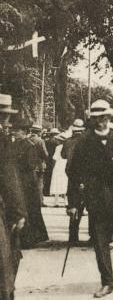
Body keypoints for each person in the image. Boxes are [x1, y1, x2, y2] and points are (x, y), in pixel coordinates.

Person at [66, 100, 113, 298]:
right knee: (100, 242)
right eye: (96, 119)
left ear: (109, 118)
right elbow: (73, 174)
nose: (100, 122)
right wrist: (72, 203)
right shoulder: (84, 143)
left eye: (103, 118)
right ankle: (107, 282)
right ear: (92, 120)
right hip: (96, 199)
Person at [0, 94, 26, 300]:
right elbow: (8, 176)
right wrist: (18, 212)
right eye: (6, 117)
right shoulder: (3, 140)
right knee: (5, 257)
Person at [12, 119, 49, 248]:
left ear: (25, 132)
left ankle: (29, 239)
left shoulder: (29, 145)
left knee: (29, 209)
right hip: (18, 179)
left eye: (17, 131)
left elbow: (31, 165)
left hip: (27, 182)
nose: (15, 132)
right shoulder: (14, 144)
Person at [62, 119, 86, 243]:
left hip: (72, 177)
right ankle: (95, 236)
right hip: (85, 177)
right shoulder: (87, 142)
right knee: (91, 207)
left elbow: (63, 156)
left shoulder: (67, 142)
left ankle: (73, 236)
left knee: (73, 206)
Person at [29, 124, 49, 206]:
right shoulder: (40, 141)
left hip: (29, 165)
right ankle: (39, 201)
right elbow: (45, 154)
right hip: (39, 166)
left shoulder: (27, 139)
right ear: (39, 132)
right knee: (39, 184)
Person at [49, 132, 69, 207]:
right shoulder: (69, 146)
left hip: (59, 164)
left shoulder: (58, 147)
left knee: (57, 182)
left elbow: (54, 158)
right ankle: (66, 201)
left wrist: (53, 166)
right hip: (65, 164)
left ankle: (56, 201)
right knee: (65, 182)